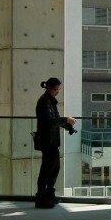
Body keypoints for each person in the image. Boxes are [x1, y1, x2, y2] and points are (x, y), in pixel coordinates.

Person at [34, 77, 76, 208]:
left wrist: (68, 126)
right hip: (47, 141)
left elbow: (55, 119)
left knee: (54, 168)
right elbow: (50, 122)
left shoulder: (50, 101)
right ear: (49, 88)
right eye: (56, 89)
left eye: (59, 89)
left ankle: (48, 195)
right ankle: (41, 198)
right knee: (47, 169)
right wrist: (66, 120)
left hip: (51, 141)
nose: (58, 92)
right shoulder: (44, 102)